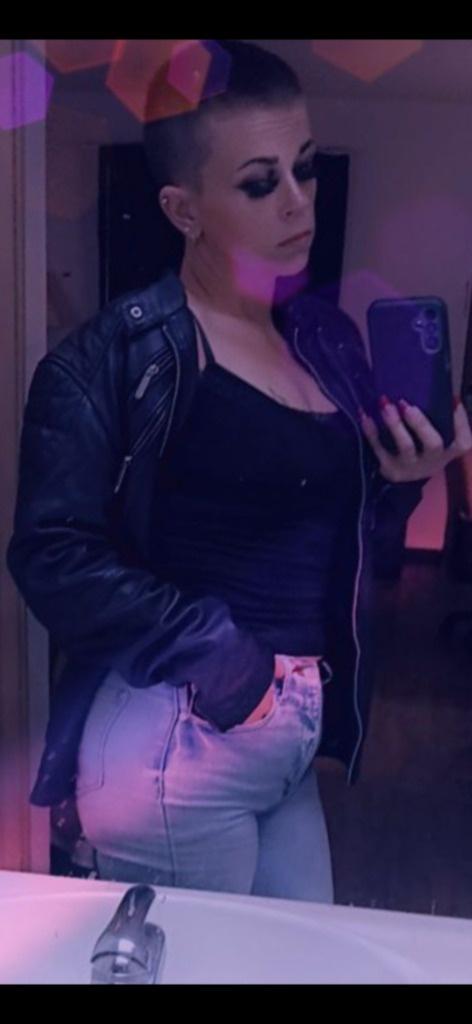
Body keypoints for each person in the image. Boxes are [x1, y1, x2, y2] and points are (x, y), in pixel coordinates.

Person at [7, 40, 472, 901]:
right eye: (261, 183)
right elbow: (52, 554)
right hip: (176, 741)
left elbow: (344, 537)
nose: (299, 201)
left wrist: (409, 474)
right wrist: (225, 658)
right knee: (207, 961)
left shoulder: (323, 338)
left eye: (306, 168)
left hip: (287, 735)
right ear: (183, 209)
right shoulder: (115, 357)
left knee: (302, 953)